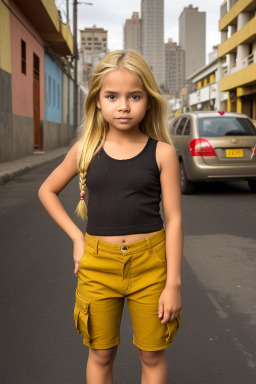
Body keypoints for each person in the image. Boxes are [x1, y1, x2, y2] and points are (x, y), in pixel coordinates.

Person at [38, 49, 183, 384]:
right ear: (98, 101)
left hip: (151, 265)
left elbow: (173, 220)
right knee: (100, 353)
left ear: (148, 100)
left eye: (135, 96)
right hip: (96, 266)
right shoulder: (85, 150)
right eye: (112, 96)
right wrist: (77, 238)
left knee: (151, 353)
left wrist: (172, 283)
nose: (124, 106)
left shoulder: (162, 152)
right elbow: (47, 191)